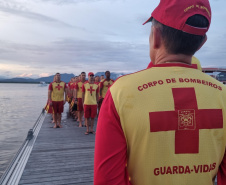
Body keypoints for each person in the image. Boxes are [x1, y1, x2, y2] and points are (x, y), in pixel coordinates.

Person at [94, 0, 226, 184]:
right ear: (201, 43)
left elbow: (107, 180)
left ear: (155, 36)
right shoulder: (222, 95)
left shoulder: (120, 93)